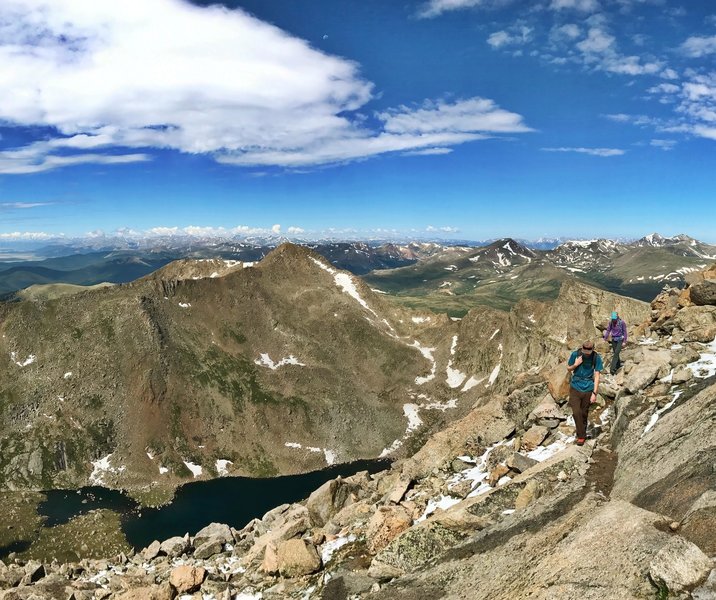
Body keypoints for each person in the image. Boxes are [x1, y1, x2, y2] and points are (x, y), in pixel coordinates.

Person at [566, 340, 603, 446]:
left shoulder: (596, 357)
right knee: (576, 412)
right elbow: (568, 368)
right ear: (582, 348)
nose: (586, 353)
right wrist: (575, 364)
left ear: (592, 349)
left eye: (588, 351)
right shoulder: (575, 354)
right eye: (584, 350)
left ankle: (581, 433)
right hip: (575, 387)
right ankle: (581, 436)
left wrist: (594, 393)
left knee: (584, 413)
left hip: (588, 388)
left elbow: (597, 376)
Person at [603, 311, 628, 375]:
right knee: (615, 353)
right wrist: (605, 338)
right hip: (614, 339)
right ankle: (618, 365)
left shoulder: (622, 323)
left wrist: (624, 341)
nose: (614, 320)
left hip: (620, 339)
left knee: (616, 353)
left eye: (614, 319)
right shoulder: (611, 322)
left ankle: (612, 369)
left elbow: (625, 332)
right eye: (613, 319)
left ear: (617, 317)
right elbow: (608, 330)